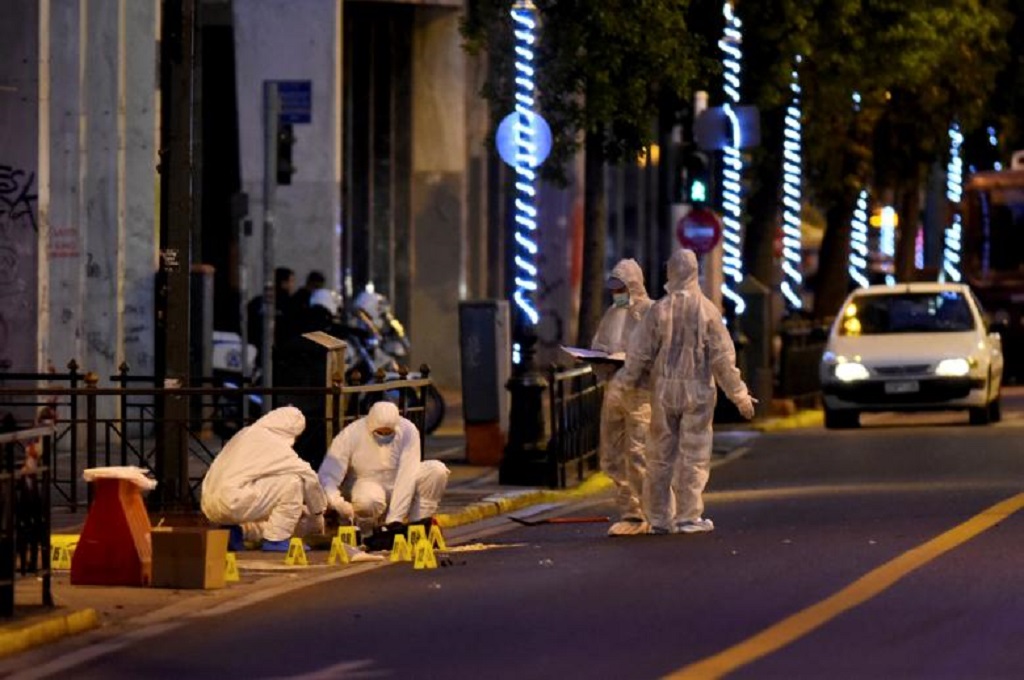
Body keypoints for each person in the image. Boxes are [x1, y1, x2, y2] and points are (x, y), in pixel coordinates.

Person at [619, 249, 755, 535]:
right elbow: (722, 359)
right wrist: (739, 395)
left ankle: (658, 517)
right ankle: (688, 516)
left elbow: (639, 352)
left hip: (664, 390)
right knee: (693, 454)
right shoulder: (707, 311)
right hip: (698, 392)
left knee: (659, 454)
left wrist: (626, 384)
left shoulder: (660, 310)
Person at [318, 401, 449, 544]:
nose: (384, 436)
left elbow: (408, 474)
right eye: (380, 432)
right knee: (368, 500)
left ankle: (418, 526)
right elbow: (328, 475)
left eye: (388, 432)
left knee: (437, 471)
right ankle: (366, 534)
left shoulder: (408, 430)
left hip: (398, 483)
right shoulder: (351, 434)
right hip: (367, 482)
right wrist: (339, 504)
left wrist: (395, 520)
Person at [201, 406, 327, 551]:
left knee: (245, 481)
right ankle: (277, 539)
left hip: (209, 505)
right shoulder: (274, 443)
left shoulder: (245, 434)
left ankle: (231, 533)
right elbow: (309, 477)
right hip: (231, 502)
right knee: (293, 481)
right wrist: (318, 514)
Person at [591, 258, 654, 536]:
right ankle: (630, 511)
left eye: (621, 288)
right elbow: (600, 345)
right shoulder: (611, 315)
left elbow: (658, 355)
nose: (616, 294)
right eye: (613, 289)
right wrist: (601, 361)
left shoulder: (650, 314)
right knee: (613, 454)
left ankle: (651, 510)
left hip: (640, 394)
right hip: (614, 391)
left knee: (640, 453)